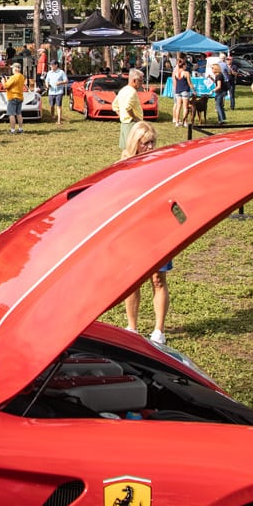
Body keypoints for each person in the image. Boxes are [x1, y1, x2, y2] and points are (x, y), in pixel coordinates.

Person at [118, 121, 169, 342]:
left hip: (158, 229)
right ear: (135, 143)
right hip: (132, 229)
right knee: (132, 281)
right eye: (145, 143)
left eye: (152, 142)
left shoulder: (162, 165)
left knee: (158, 279)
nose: (150, 147)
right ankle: (132, 327)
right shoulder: (123, 166)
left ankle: (159, 331)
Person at [113, 68, 147, 152]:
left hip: (124, 124)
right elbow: (127, 107)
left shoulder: (123, 90)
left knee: (126, 150)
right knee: (134, 150)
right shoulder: (132, 92)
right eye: (140, 81)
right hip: (132, 124)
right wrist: (135, 118)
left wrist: (121, 115)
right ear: (134, 80)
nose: (141, 83)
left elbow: (114, 105)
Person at [3, 62, 27, 135]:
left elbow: (6, 86)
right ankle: (20, 129)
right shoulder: (22, 77)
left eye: (13, 68)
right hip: (20, 96)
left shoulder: (13, 77)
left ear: (15, 69)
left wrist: (3, 81)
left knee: (11, 114)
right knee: (19, 113)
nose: (12, 70)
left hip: (12, 96)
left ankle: (12, 130)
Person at [44, 60, 68, 124]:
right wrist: (47, 85)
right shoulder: (49, 73)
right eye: (50, 65)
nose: (50, 66)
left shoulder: (61, 72)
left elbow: (66, 81)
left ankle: (59, 120)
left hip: (59, 92)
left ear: (56, 65)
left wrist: (60, 83)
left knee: (59, 106)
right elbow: (46, 81)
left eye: (52, 65)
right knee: (52, 106)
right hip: (51, 92)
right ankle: (52, 117)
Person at [171, 55, 192, 125]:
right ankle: (185, 122)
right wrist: (194, 90)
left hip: (178, 90)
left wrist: (175, 89)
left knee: (178, 106)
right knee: (185, 107)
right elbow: (189, 83)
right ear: (183, 65)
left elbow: (174, 81)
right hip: (185, 90)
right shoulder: (186, 73)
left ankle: (176, 121)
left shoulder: (175, 72)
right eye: (185, 65)